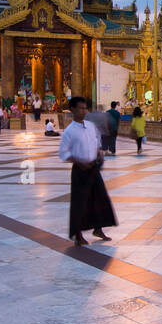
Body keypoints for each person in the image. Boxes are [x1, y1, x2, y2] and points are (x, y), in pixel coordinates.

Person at [58, 95, 118, 246]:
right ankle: (77, 234)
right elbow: (63, 153)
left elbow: (96, 140)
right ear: (73, 109)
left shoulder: (90, 126)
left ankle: (98, 228)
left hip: (93, 167)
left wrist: (99, 153)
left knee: (100, 198)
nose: (84, 111)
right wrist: (78, 161)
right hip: (80, 169)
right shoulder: (69, 131)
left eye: (85, 108)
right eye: (80, 108)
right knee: (80, 202)